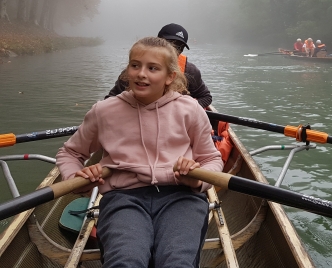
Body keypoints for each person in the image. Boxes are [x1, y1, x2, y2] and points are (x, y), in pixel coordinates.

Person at [57, 36, 224, 268]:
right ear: (128, 70)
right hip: (123, 198)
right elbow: (70, 154)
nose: (141, 74)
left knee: (177, 262)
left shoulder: (190, 109)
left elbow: (211, 159)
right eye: (135, 65)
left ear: (170, 77)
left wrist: (196, 180)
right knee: (126, 261)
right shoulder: (104, 111)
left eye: (152, 68)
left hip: (181, 196)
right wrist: (79, 179)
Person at [106, 23, 214, 127]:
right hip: (136, 121)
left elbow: (206, 97)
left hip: (175, 124)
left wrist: (185, 111)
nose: (173, 50)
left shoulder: (190, 71)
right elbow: (110, 100)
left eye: (179, 47)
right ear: (158, 43)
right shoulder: (134, 73)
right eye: (169, 44)